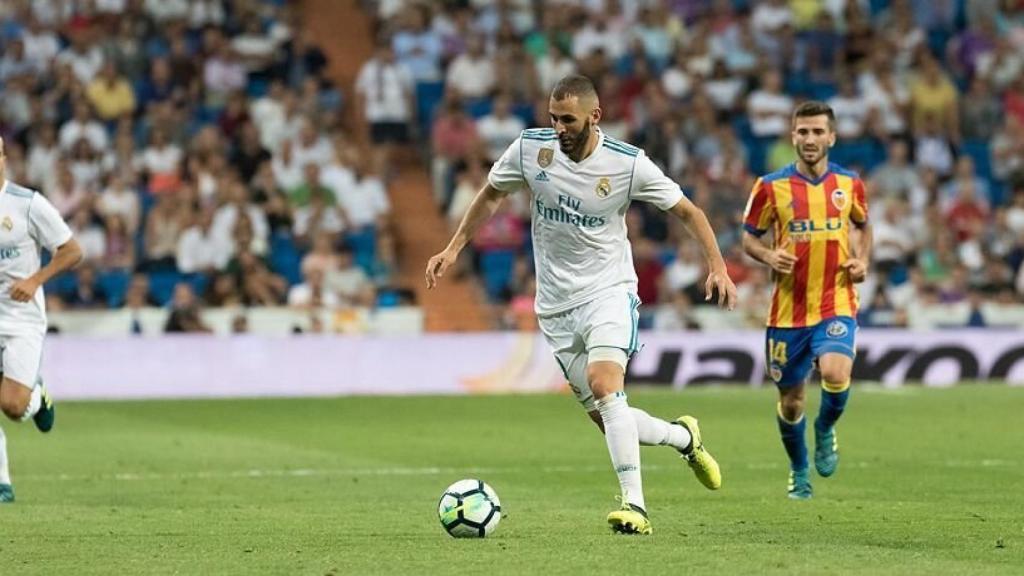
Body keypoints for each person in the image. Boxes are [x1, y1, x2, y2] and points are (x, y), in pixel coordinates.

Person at [426, 75, 737, 535]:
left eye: (567, 119)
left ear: (595, 116)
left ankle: (636, 507)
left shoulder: (628, 164)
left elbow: (691, 212)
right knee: (609, 416)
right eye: (553, 118)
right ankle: (683, 436)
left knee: (605, 383)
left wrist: (718, 266)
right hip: (554, 305)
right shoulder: (531, 150)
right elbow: (491, 194)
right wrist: (454, 247)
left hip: (609, 291)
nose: (558, 128)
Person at [741, 101, 872, 500]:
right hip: (787, 312)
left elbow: (863, 226)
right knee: (793, 401)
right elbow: (748, 237)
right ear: (792, 136)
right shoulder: (769, 186)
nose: (810, 139)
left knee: (835, 372)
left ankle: (826, 428)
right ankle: (799, 469)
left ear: (832, 136)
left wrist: (861, 259)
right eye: (803, 132)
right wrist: (767, 255)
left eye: (818, 132)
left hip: (836, 300)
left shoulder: (849, 185)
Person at [0, 136, 84, 502]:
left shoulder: (27, 204)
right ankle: (2, 484)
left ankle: (39, 400)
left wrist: (35, 280)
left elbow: (71, 250)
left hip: (21, 321)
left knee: (13, 405)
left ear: (4, 158)